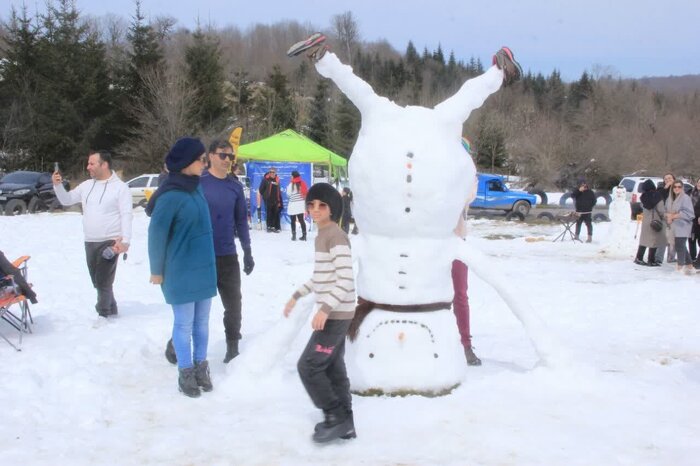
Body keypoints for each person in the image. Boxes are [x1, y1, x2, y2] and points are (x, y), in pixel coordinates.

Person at [163, 140, 255, 365]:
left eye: (230, 157)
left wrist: (247, 251)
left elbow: (241, 221)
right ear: (211, 156)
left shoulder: (234, 186)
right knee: (195, 309)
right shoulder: (198, 183)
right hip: (200, 256)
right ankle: (176, 343)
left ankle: (232, 346)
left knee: (234, 304)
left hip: (227, 255)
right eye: (223, 155)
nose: (227, 160)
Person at [283, 183, 356, 443]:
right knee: (334, 369)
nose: (315, 209)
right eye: (311, 204)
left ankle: (334, 416)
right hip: (335, 312)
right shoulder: (322, 235)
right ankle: (346, 425)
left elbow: (346, 279)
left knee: (309, 366)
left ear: (333, 209)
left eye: (322, 205)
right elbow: (322, 277)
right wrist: (297, 294)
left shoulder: (335, 236)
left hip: (336, 315)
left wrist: (324, 309)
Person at [147, 137, 217, 398]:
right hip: (180, 269)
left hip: (204, 267)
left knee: (202, 323)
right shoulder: (170, 195)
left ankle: (201, 367)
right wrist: (157, 270)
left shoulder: (197, 187)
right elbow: (156, 234)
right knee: (184, 324)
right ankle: (185, 372)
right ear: (187, 162)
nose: (205, 164)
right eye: (201, 160)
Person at [52, 150, 132, 318]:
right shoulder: (86, 186)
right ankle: (112, 307)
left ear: (104, 165)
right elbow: (67, 200)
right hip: (90, 240)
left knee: (103, 279)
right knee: (97, 280)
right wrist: (58, 186)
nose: (88, 167)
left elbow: (126, 214)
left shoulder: (120, 188)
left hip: (111, 240)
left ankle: (103, 313)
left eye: (92, 164)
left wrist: (125, 240)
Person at [452, 207, 481, 365]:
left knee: (460, 294)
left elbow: (467, 195)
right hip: (430, 242)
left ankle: (465, 345)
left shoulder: (465, 181)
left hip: (456, 242)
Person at [664, 180, 695, 274]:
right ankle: (690, 266)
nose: (677, 188)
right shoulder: (669, 199)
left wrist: (674, 216)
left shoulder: (686, 198)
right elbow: (665, 211)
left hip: (683, 225)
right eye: (675, 187)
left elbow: (689, 213)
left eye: (679, 187)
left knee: (679, 245)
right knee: (680, 245)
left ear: (682, 188)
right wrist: (668, 216)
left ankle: (680, 266)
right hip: (673, 225)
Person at [634, 179, 666, 266]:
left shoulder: (643, 196)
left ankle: (638, 258)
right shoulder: (657, 196)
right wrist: (665, 217)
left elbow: (643, 208)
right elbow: (661, 210)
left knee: (644, 240)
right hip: (655, 221)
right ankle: (651, 260)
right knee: (654, 240)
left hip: (646, 221)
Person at [657, 173, 676, 263]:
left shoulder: (678, 189)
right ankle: (659, 258)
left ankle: (671, 257)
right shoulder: (661, 189)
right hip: (664, 216)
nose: (668, 180)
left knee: (673, 238)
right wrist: (666, 188)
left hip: (675, 217)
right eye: (666, 179)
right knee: (663, 237)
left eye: (670, 178)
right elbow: (658, 198)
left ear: (674, 179)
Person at [258, 167, 282, 232]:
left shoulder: (277, 179)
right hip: (268, 200)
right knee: (269, 213)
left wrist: (279, 199)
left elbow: (278, 190)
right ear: (269, 172)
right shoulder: (265, 179)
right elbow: (261, 189)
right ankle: (269, 226)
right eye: (270, 172)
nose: (272, 173)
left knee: (275, 213)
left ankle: (274, 227)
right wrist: (265, 196)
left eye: (273, 172)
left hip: (275, 199)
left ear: (275, 173)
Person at [286, 170, 308, 241]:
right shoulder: (303, 183)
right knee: (301, 220)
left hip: (293, 205)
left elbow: (288, 194)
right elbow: (305, 193)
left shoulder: (290, 185)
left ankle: (294, 235)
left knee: (293, 221)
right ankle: (304, 235)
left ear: (293, 176)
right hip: (301, 205)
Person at [688, 178, 700, 266]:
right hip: (690, 220)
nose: (699, 184)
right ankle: (692, 258)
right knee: (691, 239)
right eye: (699, 182)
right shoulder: (690, 192)